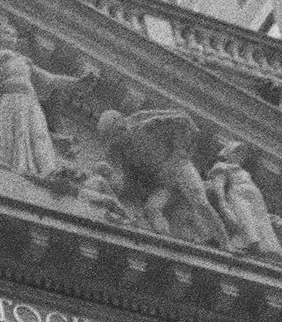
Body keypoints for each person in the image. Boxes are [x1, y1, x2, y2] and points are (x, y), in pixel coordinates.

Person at [0, 16, 94, 179]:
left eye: (14, 34)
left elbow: (50, 79)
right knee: (8, 130)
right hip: (8, 97)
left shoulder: (24, 61)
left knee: (38, 131)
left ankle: (47, 169)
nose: (11, 36)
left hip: (29, 100)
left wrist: (77, 82)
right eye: (5, 33)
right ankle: (3, 165)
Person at [98, 105, 228, 245]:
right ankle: (166, 241)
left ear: (121, 123)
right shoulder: (124, 151)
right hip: (164, 182)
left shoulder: (143, 122)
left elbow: (183, 120)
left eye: (116, 134)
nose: (117, 140)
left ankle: (225, 243)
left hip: (180, 168)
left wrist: (178, 152)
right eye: (113, 138)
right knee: (151, 208)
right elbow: (130, 177)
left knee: (200, 203)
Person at [205, 141, 282, 257]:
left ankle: (265, 250)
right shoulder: (222, 167)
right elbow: (219, 190)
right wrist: (226, 209)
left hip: (255, 201)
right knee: (247, 222)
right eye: (236, 153)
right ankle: (250, 247)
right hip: (239, 198)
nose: (240, 156)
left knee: (262, 225)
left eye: (242, 154)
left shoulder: (243, 171)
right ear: (228, 153)